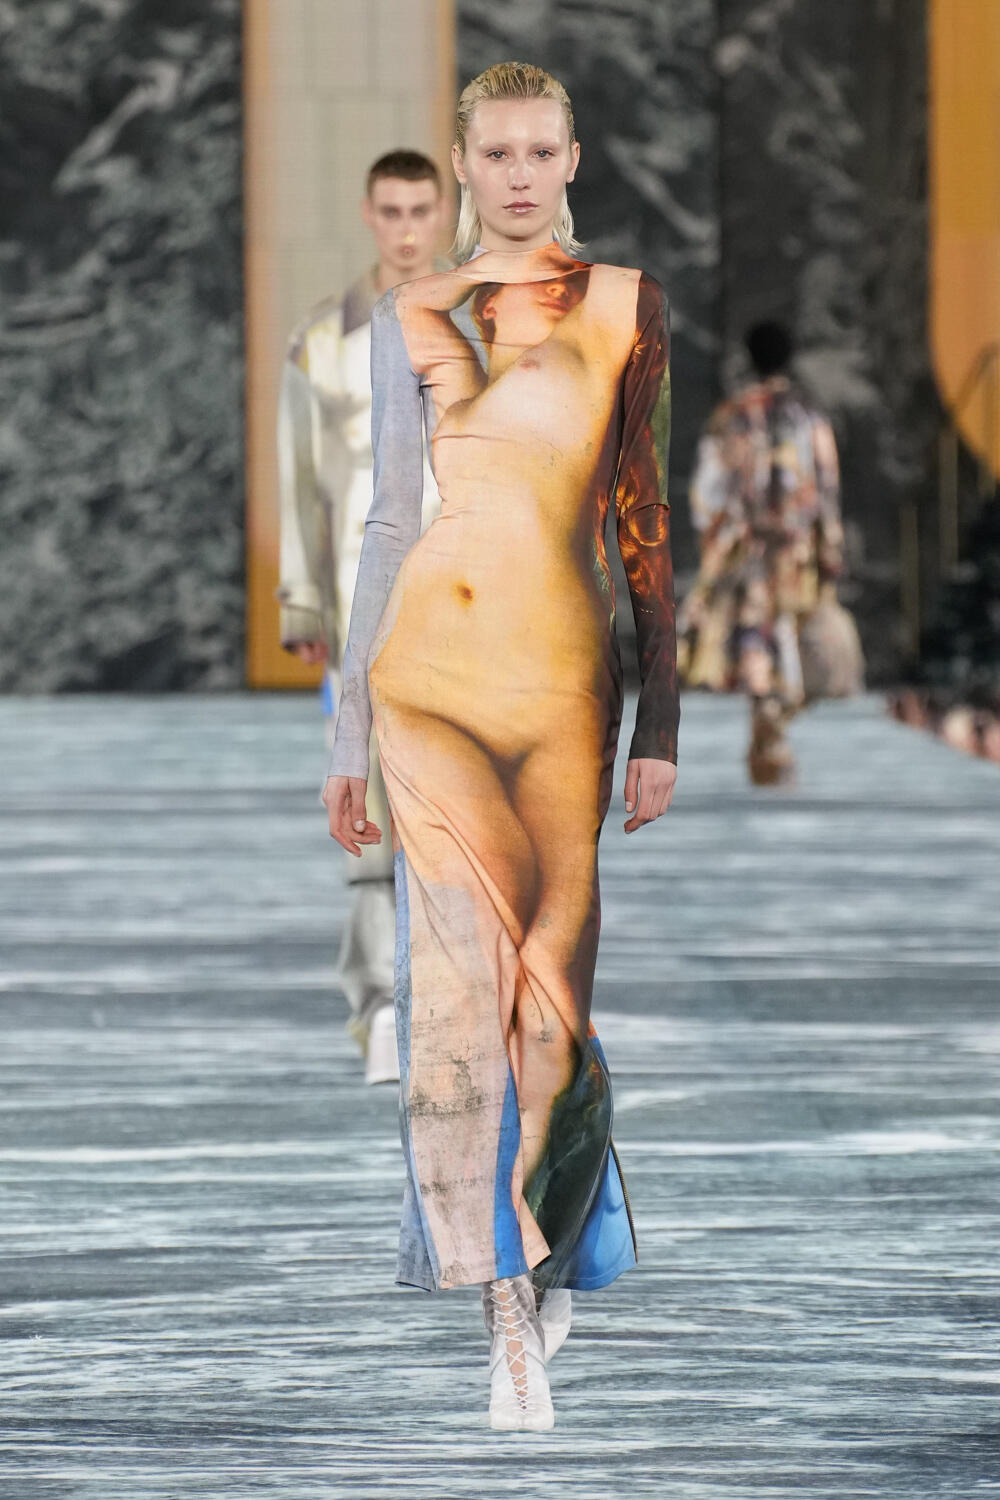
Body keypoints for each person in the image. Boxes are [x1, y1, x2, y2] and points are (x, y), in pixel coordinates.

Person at [323, 63, 678, 1431]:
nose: (519, 174)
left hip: (564, 696)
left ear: (573, 157)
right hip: (430, 690)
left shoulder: (627, 306)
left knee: (550, 1000)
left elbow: (643, 521)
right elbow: (388, 525)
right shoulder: (412, 311)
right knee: (457, 1005)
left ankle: (559, 1244)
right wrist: (350, 729)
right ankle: (505, 1310)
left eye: (541, 151)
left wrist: (660, 722)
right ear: (465, 166)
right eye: (497, 154)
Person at [277, 151, 446, 1084]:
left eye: (421, 210)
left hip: (458, 596)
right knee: (366, 796)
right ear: (369, 214)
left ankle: (444, 997)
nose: (408, 230)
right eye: (393, 211)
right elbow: (299, 474)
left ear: (441, 211)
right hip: (357, 600)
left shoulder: (471, 325)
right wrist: (301, 596)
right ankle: (380, 1003)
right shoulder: (322, 339)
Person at [679, 321, 847, 784]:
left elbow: (710, 488)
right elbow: (827, 484)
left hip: (748, 545)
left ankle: (767, 725)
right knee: (792, 633)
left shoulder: (733, 414)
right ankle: (773, 730)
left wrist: (718, 539)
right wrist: (830, 543)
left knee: (756, 634)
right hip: (797, 548)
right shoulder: (808, 415)